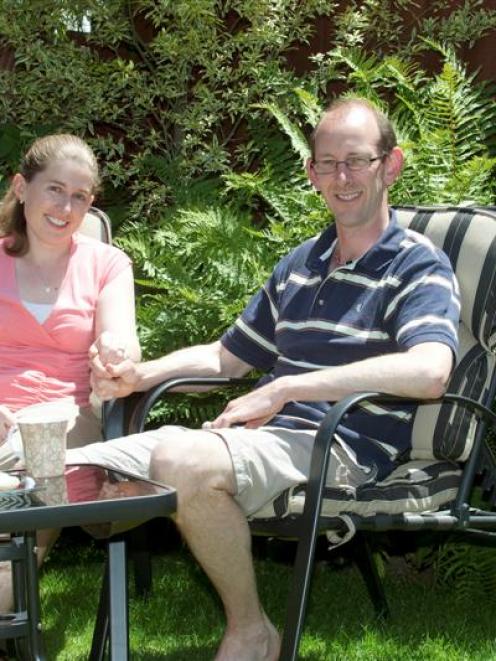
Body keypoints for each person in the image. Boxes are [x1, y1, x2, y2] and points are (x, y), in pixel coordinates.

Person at [69, 98, 459, 661]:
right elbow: (229, 358)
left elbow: (430, 372)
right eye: (327, 163)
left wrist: (285, 388)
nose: (341, 177)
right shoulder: (300, 263)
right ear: (311, 173)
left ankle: (252, 632)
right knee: (78, 469)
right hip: (268, 439)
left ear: (390, 165)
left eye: (357, 161)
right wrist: (137, 376)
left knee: (180, 463)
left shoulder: (416, 265)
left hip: (341, 443)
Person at [0, 133, 140, 618]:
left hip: (63, 424)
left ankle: (8, 611)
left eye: (79, 196)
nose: (65, 207)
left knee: (41, 467)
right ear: (22, 187)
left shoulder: (106, 265)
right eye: (54, 189)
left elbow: (120, 337)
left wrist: (115, 357)